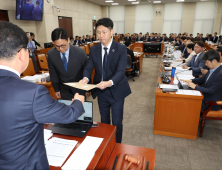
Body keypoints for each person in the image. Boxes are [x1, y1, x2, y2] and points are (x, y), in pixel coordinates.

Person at [0, 21, 85, 169]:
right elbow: (68, 114)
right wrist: (78, 101)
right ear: (21, 53)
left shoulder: (79, 52)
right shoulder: (31, 93)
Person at [79, 18, 131, 143]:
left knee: (117, 122)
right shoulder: (94, 49)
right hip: (101, 91)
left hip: (116, 90)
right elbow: (89, 67)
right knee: (104, 121)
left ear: (112, 31)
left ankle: (117, 145)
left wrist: (109, 82)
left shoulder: (121, 49)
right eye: (98, 32)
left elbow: (120, 71)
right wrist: (85, 78)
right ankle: (107, 144)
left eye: (104, 32)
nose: (101, 36)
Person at [48, 28, 89, 100]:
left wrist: (87, 89)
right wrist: (56, 89)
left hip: (79, 89)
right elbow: (53, 73)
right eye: (57, 46)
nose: (60, 49)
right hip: (64, 90)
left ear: (68, 39)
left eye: (63, 45)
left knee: (80, 110)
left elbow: (87, 70)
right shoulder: (51, 54)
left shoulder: (80, 53)